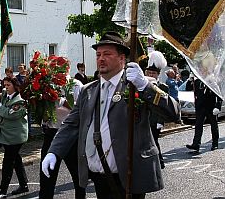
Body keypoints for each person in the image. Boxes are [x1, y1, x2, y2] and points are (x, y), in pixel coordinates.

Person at [42, 31, 179, 199]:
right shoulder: (88, 91)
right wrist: (54, 151)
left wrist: (144, 86)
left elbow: (174, 112)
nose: (100, 58)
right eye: (98, 54)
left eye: (107, 54)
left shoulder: (137, 85)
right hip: (99, 175)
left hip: (130, 175)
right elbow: (71, 124)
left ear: (122, 59)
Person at [0, 77, 29, 199]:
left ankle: (3, 191)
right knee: (16, 160)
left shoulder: (20, 101)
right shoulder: (5, 95)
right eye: (5, 85)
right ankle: (24, 185)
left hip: (15, 136)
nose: (6, 87)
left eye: (8, 85)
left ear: (15, 86)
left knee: (8, 162)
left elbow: (9, 114)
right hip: (6, 135)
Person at [39, 93, 85, 199]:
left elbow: (80, 108)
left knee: (76, 171)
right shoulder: (45, 85)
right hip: (51, 132)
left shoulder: (76, 85)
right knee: (47, 171)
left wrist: (63, 101)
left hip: (70, 133)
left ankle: (81, 196)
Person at [145, 50, 169, 169]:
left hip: (156, 119)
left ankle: (160, 162)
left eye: (153, 73)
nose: (150, 75)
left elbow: (163, 106)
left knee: (153, 140)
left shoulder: (163, 87)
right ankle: (155, 162)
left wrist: (161, 121)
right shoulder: (143, 85)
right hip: (145, 118)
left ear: (158, 74)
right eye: (149, 72)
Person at [186, 79, 222, 152]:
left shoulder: (213, 81)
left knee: (214, 125)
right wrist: (189, 81)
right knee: (198, 125)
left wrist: (218, 106)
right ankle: (196, 144)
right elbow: (188, 89)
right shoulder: (197, 81)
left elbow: (219, 95)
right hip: (200, 107)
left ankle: (215, 144)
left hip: (211, 107)